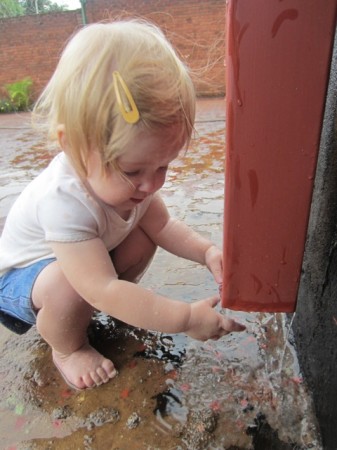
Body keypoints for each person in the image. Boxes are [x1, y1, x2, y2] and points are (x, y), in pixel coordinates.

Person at [0, 20, 245, 390]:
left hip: (84, 263)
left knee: (147, 234)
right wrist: (184, 319)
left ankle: (115, 302)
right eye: (132, 170)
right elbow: (97, 285)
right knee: (73, 286)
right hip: (23, 280)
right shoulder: (64, 200)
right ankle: (67, 346)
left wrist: (208, 252)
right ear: (73, 147)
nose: (152, 183)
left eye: (163, 165)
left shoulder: (135, 187)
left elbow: (165, 227)